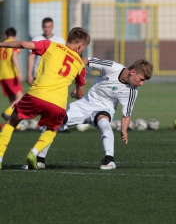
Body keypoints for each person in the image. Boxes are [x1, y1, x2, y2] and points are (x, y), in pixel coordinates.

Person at [23, 57, 154, 170]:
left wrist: (124, 129)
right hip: (84, 104)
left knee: (104, 123)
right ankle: (40, 160)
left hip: (104, 109)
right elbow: (86, 60)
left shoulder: (132, 91)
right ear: (133, 71)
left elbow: (127, 114)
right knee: (54, 120)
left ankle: (109, 160)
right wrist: (79, 85)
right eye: (141, 79)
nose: (141, 84)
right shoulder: (113, 67)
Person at [0, 27, 90, 170]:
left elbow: (24, 45)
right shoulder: (80, 65)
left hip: (37, 95)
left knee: (12, 122)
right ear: (80, 46)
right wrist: (74, 93)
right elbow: (80, 94)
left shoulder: (51, 45)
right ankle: (34, 152)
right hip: (58, 105)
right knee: (52, 129)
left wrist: (1, 44)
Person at [27, 17, 65, 85]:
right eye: (45, 27)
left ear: (52, 27)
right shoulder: (36, 39)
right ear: (42, 27)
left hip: (54, 75)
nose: (47, 29)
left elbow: (63, 58)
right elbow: (31, 57)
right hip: (38, 75)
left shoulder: (60, 40)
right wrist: (29, 74)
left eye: (49, 27)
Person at [0, 27, 23, 121]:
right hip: (11, 75)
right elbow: (14, 57)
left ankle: (11, 122)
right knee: (20, 98)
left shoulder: (2, 45)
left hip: (2, 76)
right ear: (15, 36)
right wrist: (19, 72)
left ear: (6, 36)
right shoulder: (14, 44)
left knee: (12, 100)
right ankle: (7, 113)